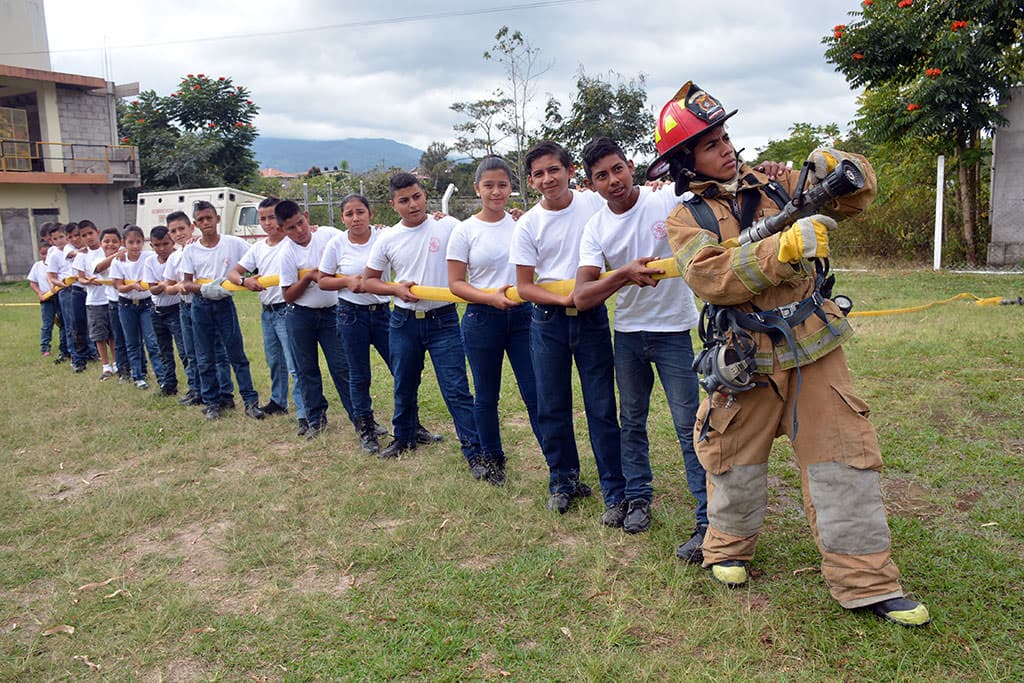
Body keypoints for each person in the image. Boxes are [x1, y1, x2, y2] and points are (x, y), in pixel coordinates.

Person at [651, 81, 928, 626]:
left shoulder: (780, 185)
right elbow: (710, 277)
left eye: (725, 136)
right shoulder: (686, 220)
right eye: (709, 143)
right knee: (732, 458)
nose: (726, 148)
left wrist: (835, 163)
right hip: (744, 357)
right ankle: (726, 549)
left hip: (812, 348)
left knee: (843, 458)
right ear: (687, 161)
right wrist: (783, 248)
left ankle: (867, 583)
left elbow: (857, 196)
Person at [573, 136, 706, 540]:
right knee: (631, 421)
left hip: (673, 332)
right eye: (601, 176)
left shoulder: (664, 200)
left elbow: (708, 196)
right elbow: (581, 296)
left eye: (617, 169)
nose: (613, 180)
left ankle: (707, 516)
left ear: (630, 165)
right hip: (628, 334)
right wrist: (622, 274)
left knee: (689, 425)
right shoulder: (595, 226)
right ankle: (637, 499)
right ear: (591, 183)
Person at [508, 141, 626, 518]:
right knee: (552, 406)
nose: (547, 179)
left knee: (602, 406)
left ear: (570, 170)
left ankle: (614, 487)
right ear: (531, 181)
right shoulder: (528, 224)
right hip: (548, 322)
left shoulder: (594, 203)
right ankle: (563, 481)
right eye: (539, 174)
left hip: (592, 320)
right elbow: (525, 285)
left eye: (553, 170)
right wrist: (564, 300)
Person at [363, 173, 484, 475]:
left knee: (456, 388)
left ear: (424, 195)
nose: (412, 204)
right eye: (404, 200)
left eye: (416, 197)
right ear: (393, 205)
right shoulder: (387, 237)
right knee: (404, 383)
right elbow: (369, 281)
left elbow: (481, 233)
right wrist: (396, 289)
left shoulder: (448, 226)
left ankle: (474, 451)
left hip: (444, 320)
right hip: (403, 321)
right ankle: (404, 438)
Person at [318, 194, 445, 452]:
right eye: (350, 214)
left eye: (360, 212)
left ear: (371, 214)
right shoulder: (336, 244)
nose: (356, 218)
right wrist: (345, 282)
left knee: (403, 372)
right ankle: (366, 429)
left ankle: (412, 426)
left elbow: (416, 229)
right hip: (351, 315)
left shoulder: (384, 236)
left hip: (384, 314)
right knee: (359, 374)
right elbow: (323, 279)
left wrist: (438, 219)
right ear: (342, 218)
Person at [446, 157, 542, 486]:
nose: (496, 191)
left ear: (511, 188)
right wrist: (489, 297)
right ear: (477, 189)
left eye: (502, 185)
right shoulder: (465, 230)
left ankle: (555, 462)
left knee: (535, 393)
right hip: (481, 318)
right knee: (486, 395)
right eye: (489, 185)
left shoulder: (522, 225)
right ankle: (492, 458)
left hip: (522, 317)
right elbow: (456, 283)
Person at [271, 199, 354, 438]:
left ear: (306, 216)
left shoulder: (328, 235)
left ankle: (360, 417)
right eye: (291, 228)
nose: (299, 231)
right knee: (306, 370)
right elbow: (287, 295)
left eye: (301, 223)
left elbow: (354, 238)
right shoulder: (286, 253)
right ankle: (315, 419)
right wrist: (307, 278)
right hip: (300, 316)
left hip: (331, 314)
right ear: (281, 230)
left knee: (342, 367)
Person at [180, 201, 264, 421]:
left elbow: (258, 257)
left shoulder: (233, 243)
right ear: (195, 224)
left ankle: (250, 401)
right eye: (201, 220)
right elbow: (186, 284)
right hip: (201, 306)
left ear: (217, 218)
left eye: (209, 218)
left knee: (236, 354)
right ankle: (212, 402)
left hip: (225, 305)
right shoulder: (190, 250)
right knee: (204, 356)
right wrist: (204, 288)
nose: (206, 223)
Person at [228, 197, 306, 430]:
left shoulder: (292, 243)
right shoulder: (258, 248)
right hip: (267, 312)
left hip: (287, 310)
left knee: (294, 363)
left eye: (272, 217)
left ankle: (304, 411)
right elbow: (233, 272)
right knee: (275, 360)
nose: (268, 223)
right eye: (262, 218)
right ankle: (278, 401)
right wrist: (244, 281)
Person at [110, 225, 164, 390]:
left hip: (146, 304)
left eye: (138, 242)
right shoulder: (118, 260)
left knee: (152, 342)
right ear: (124, 243)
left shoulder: (149, 257)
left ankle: (161, 376)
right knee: (132, 342)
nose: (135, 246)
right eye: (131, 242)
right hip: (126, 304)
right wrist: (132, 286)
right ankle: (138, 376)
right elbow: (118, 286)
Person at [147, 226, 190, 396]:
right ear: (152, 245)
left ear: (173, 242)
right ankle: (169, 384)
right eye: (157, 245)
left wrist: (164, 285)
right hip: (156, 311)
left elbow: (172, 285)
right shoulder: (150, 262)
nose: (162, 248)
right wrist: (165, 285)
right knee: (163, 350)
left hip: (176, 309)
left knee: (183, 349)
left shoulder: (177, 258)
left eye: (166, 244)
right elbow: (153, 289)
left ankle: (193, 385)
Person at [76, 227, 118, 380]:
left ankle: (116, 363)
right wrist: (86, 281)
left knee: (113, 334)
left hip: (111, 299)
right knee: (99, 335)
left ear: (97, 233)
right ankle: (106, 366)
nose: (88, 237)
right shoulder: (83, 255)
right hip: (94, 300)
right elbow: (79, 277)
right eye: (84, 235)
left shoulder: (106, 251)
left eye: (90, 233)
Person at [27, 241, 66, 358]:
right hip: (46, 299)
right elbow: (32, 283)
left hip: (59, 296)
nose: (45, 257)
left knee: (63, 322)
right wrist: (39, 293)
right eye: (42, 254)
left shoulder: (57, 264)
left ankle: (64, 347)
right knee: (47, 324)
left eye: (47, 254)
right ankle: (45, 347)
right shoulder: (37, 266)